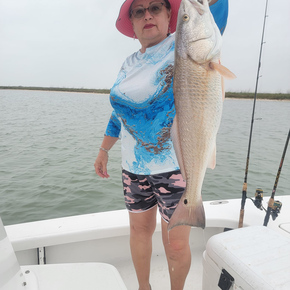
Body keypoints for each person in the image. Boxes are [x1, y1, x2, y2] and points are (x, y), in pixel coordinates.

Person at [94, 0, 228, 289]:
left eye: (155, 6)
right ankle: (144, 287)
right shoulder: (128, 63)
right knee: (138, 231)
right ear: (132, 22)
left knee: (177, 245)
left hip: (176, 166)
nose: (148, 15)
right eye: (139, 11)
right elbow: (121, 111)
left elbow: (212, 11)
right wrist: (104, 149)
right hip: (133, 168)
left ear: (171, 14)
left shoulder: (184, 44)